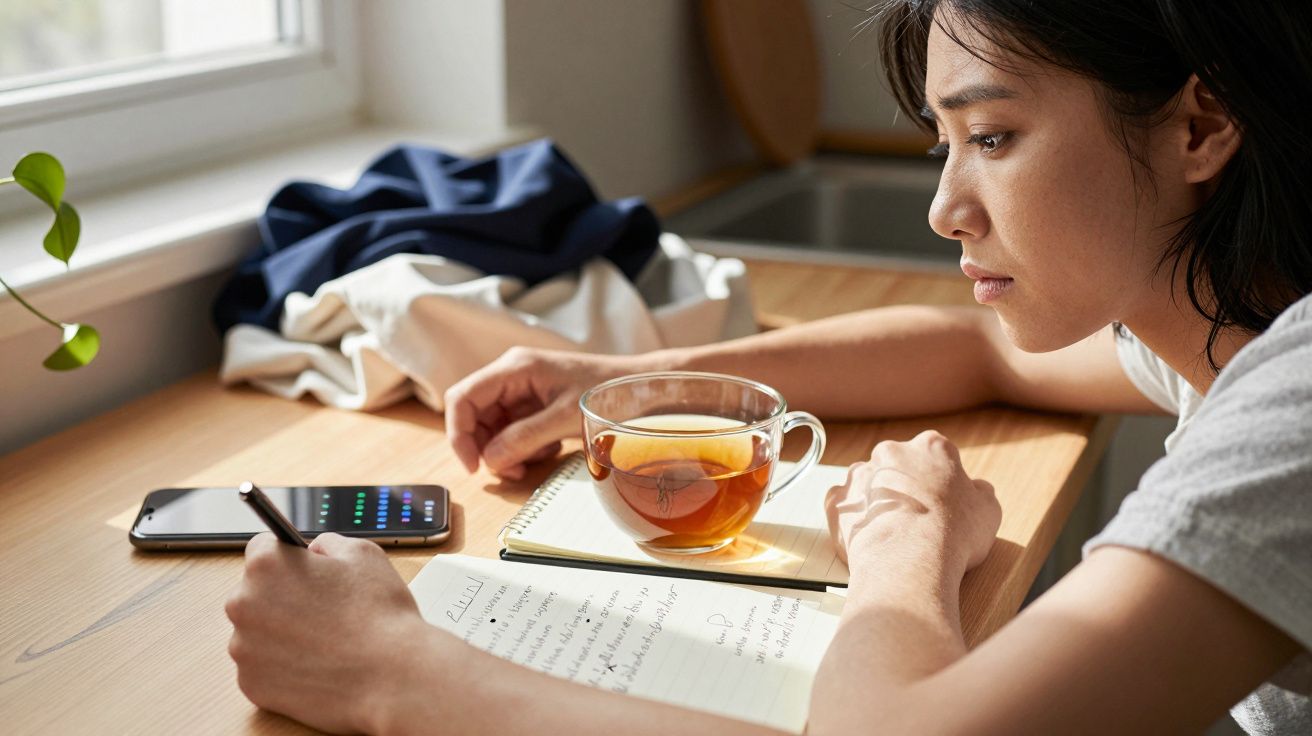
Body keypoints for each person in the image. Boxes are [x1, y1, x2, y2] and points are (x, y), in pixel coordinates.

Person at [224, 0, 1311, 733]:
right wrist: (631, 382)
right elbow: (976, 345)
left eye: (991, 137)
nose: (945, 208)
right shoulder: (1215, 327)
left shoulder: (1293, 408)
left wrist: (388, 670)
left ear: (1198, 125)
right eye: (943, 146)